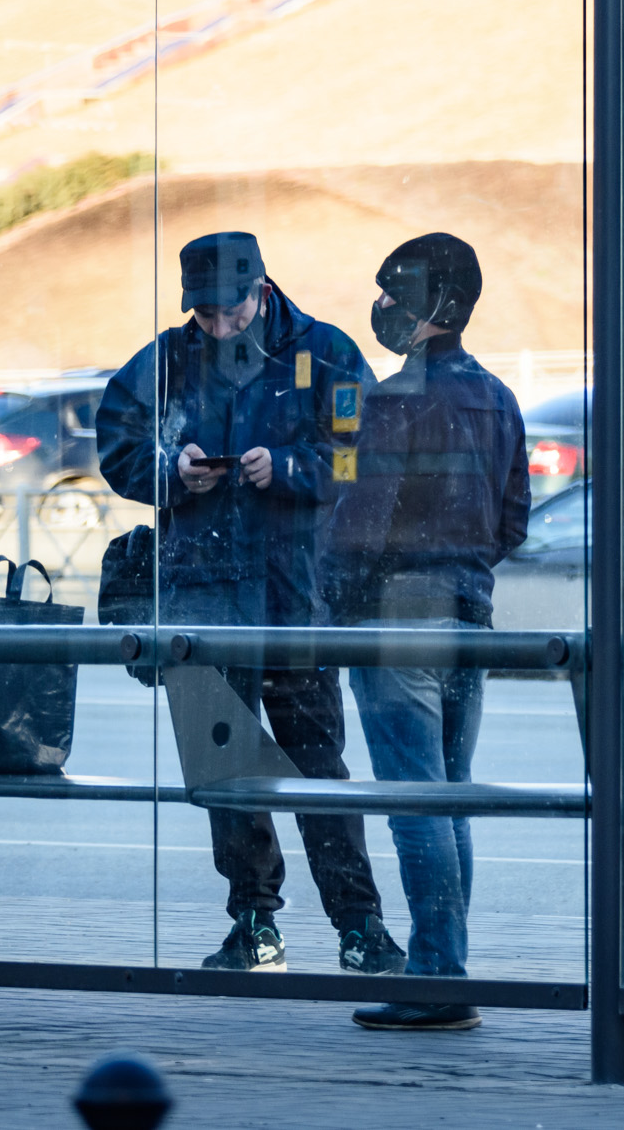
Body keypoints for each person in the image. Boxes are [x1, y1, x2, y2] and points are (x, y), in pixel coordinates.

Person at [95, 232, 405, 977]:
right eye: (202, 314)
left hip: (293, 601)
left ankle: (360, 926)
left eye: (228, 311)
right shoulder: (166, 357)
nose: (216, 325)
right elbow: (115, 443)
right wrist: (172, 469)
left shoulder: (323, 351)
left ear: (260, 290)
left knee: (316, 771)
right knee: (225, 776)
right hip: (204, 606)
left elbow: (370, 453)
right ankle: (255, 924)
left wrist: (294, 467)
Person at [324, 233, 529, 1032]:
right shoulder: (501, 398)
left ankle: (438, 976)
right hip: (471, 609)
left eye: (388, 294)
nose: (378, 308)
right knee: (448, 796)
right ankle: (445, 964)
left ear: (426, 306)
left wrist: (336, 612)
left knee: (414, 801)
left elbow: (358, 524)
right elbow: (512, 519)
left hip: (398, 614)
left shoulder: (391, 399)